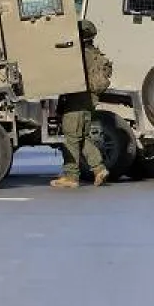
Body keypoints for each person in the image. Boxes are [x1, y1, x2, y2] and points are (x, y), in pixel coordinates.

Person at [51, 19, 112, 189]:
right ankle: (99, 169)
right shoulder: (95, 54)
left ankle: (71, 177)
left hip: (75, 102)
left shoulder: (79, 55)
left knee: (71, 139)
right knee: (82, 138)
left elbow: (68, 79)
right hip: (89, 103)